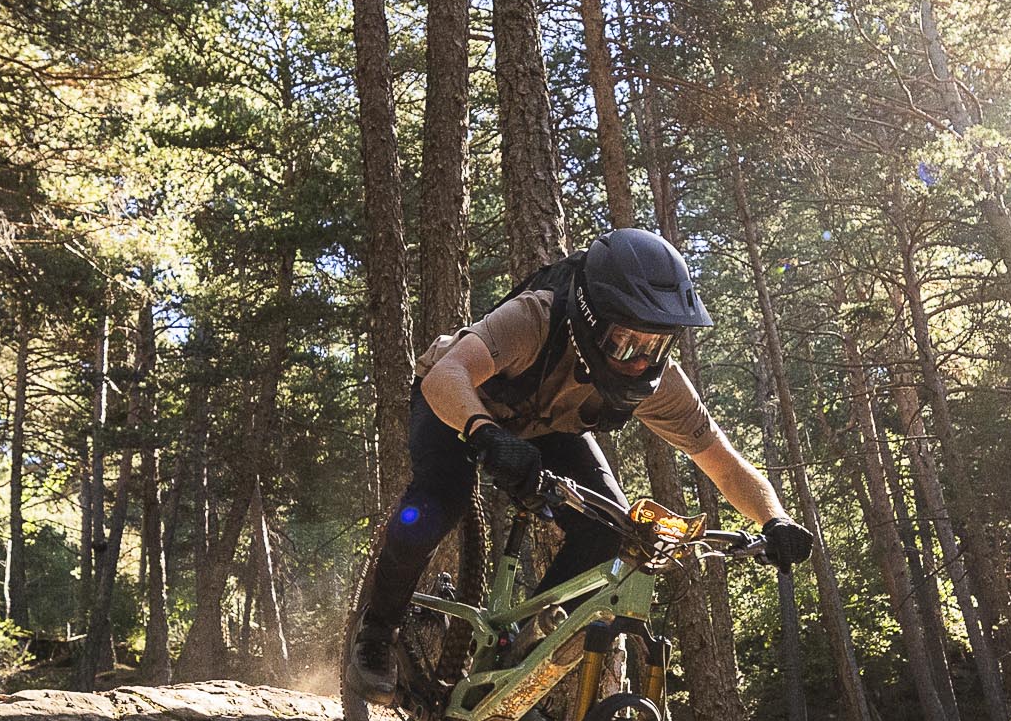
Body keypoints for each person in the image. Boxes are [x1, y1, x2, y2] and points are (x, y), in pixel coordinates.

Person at [347, 226, 816, 697]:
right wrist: (485, 433)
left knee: (611, 531)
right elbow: (447, 374)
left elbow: (724, 463)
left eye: (655, 345)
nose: (639, 360)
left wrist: (774, 519)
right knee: (437, 501)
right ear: (592, 319)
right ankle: (377, 631)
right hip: (456, 401)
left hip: (544, 427)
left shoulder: (660, 384)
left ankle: (516, 661)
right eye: (625, 341)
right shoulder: (534, 318)